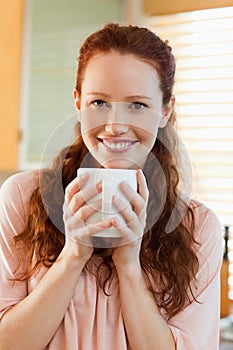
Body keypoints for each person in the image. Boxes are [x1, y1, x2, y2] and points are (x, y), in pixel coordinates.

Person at [0, 23, 222, 350]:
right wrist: (74, 255)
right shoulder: (22, 197)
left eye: (137, 105)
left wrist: (129, 264)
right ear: (78, 102)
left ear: (165, 110)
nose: (116, 125)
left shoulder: (198, 228)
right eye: (99, 102)